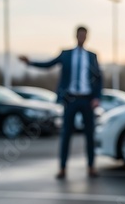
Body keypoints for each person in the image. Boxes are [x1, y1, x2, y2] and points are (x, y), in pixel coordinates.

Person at [19, 26, 103, 180]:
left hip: (86, 100)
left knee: (89, 134)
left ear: (87, 37)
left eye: (84, 35)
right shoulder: (66, 54)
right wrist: (30, 63)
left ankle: (91, 166)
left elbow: (98, 78)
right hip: (70, 100)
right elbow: (48, 64)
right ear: (76, 36)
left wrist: (97, 97)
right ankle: (62, 168)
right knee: (66, 134)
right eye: (79, 35)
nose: (81, 38)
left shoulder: (92, 56)